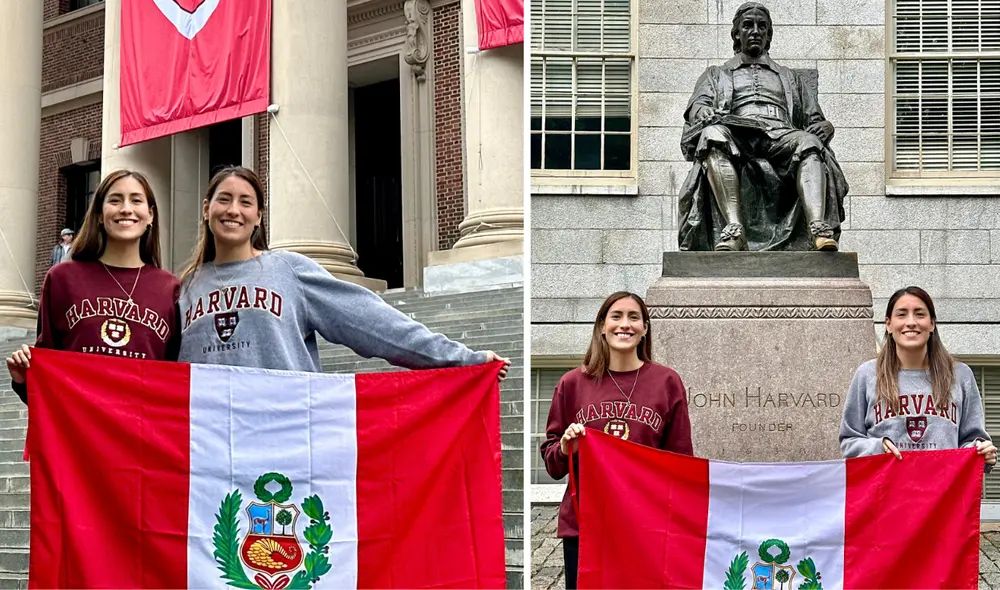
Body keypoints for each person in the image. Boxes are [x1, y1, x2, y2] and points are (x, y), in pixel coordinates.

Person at [177, 166, 509, 378]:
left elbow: (373, 323)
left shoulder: (288, 271)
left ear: (259, 216)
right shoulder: (185, 289)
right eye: (224, 200)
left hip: (282, 433)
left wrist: (461, 358)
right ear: (207, 209)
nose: (234, 210)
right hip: (208, 445)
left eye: (246, 202)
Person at [539, 291, 693, 589]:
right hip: (586, 525)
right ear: (602, 326)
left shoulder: (667, 382)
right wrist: (565, 448)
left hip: (647, 524)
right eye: (616, 316)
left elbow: (681, 461)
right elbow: (553, 464)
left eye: (634, 317)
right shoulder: (573, 383)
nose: (625, 325)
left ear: (645, 328)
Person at [678, 1, 849, 252]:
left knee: (810, 142)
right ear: (737, 34)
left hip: (780, 134)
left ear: (769, 35)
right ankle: (734, 230)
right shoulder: (717, 74)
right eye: (748, 26)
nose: (755, 31)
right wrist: (703, 111)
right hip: (737, 134)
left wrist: (827, 127)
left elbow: (814, 119)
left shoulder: (790, 77)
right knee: (712, 134)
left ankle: (818, 229)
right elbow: (698, 106)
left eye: (762, 26)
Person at [6, 170, 181, 404]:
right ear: (99, 214)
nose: (126, 208)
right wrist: (23, 378)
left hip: (142, 434)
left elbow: (174, 381)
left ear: (150, 216)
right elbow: (48, 373)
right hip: (79, 432)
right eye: (115, 200)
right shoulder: (63, 279)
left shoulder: (170, 288)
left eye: (136, 200)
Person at [840, 286, 996, 470]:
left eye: (920, 314)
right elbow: (848, 442)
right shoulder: (867, 374)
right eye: (902, 314)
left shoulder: (960, 375)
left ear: (932, 323)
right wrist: (877, 447)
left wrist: (980, 452)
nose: (911, 322)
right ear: (888, 324)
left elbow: (971, 441)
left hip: (943, 494)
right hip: (887, 493)